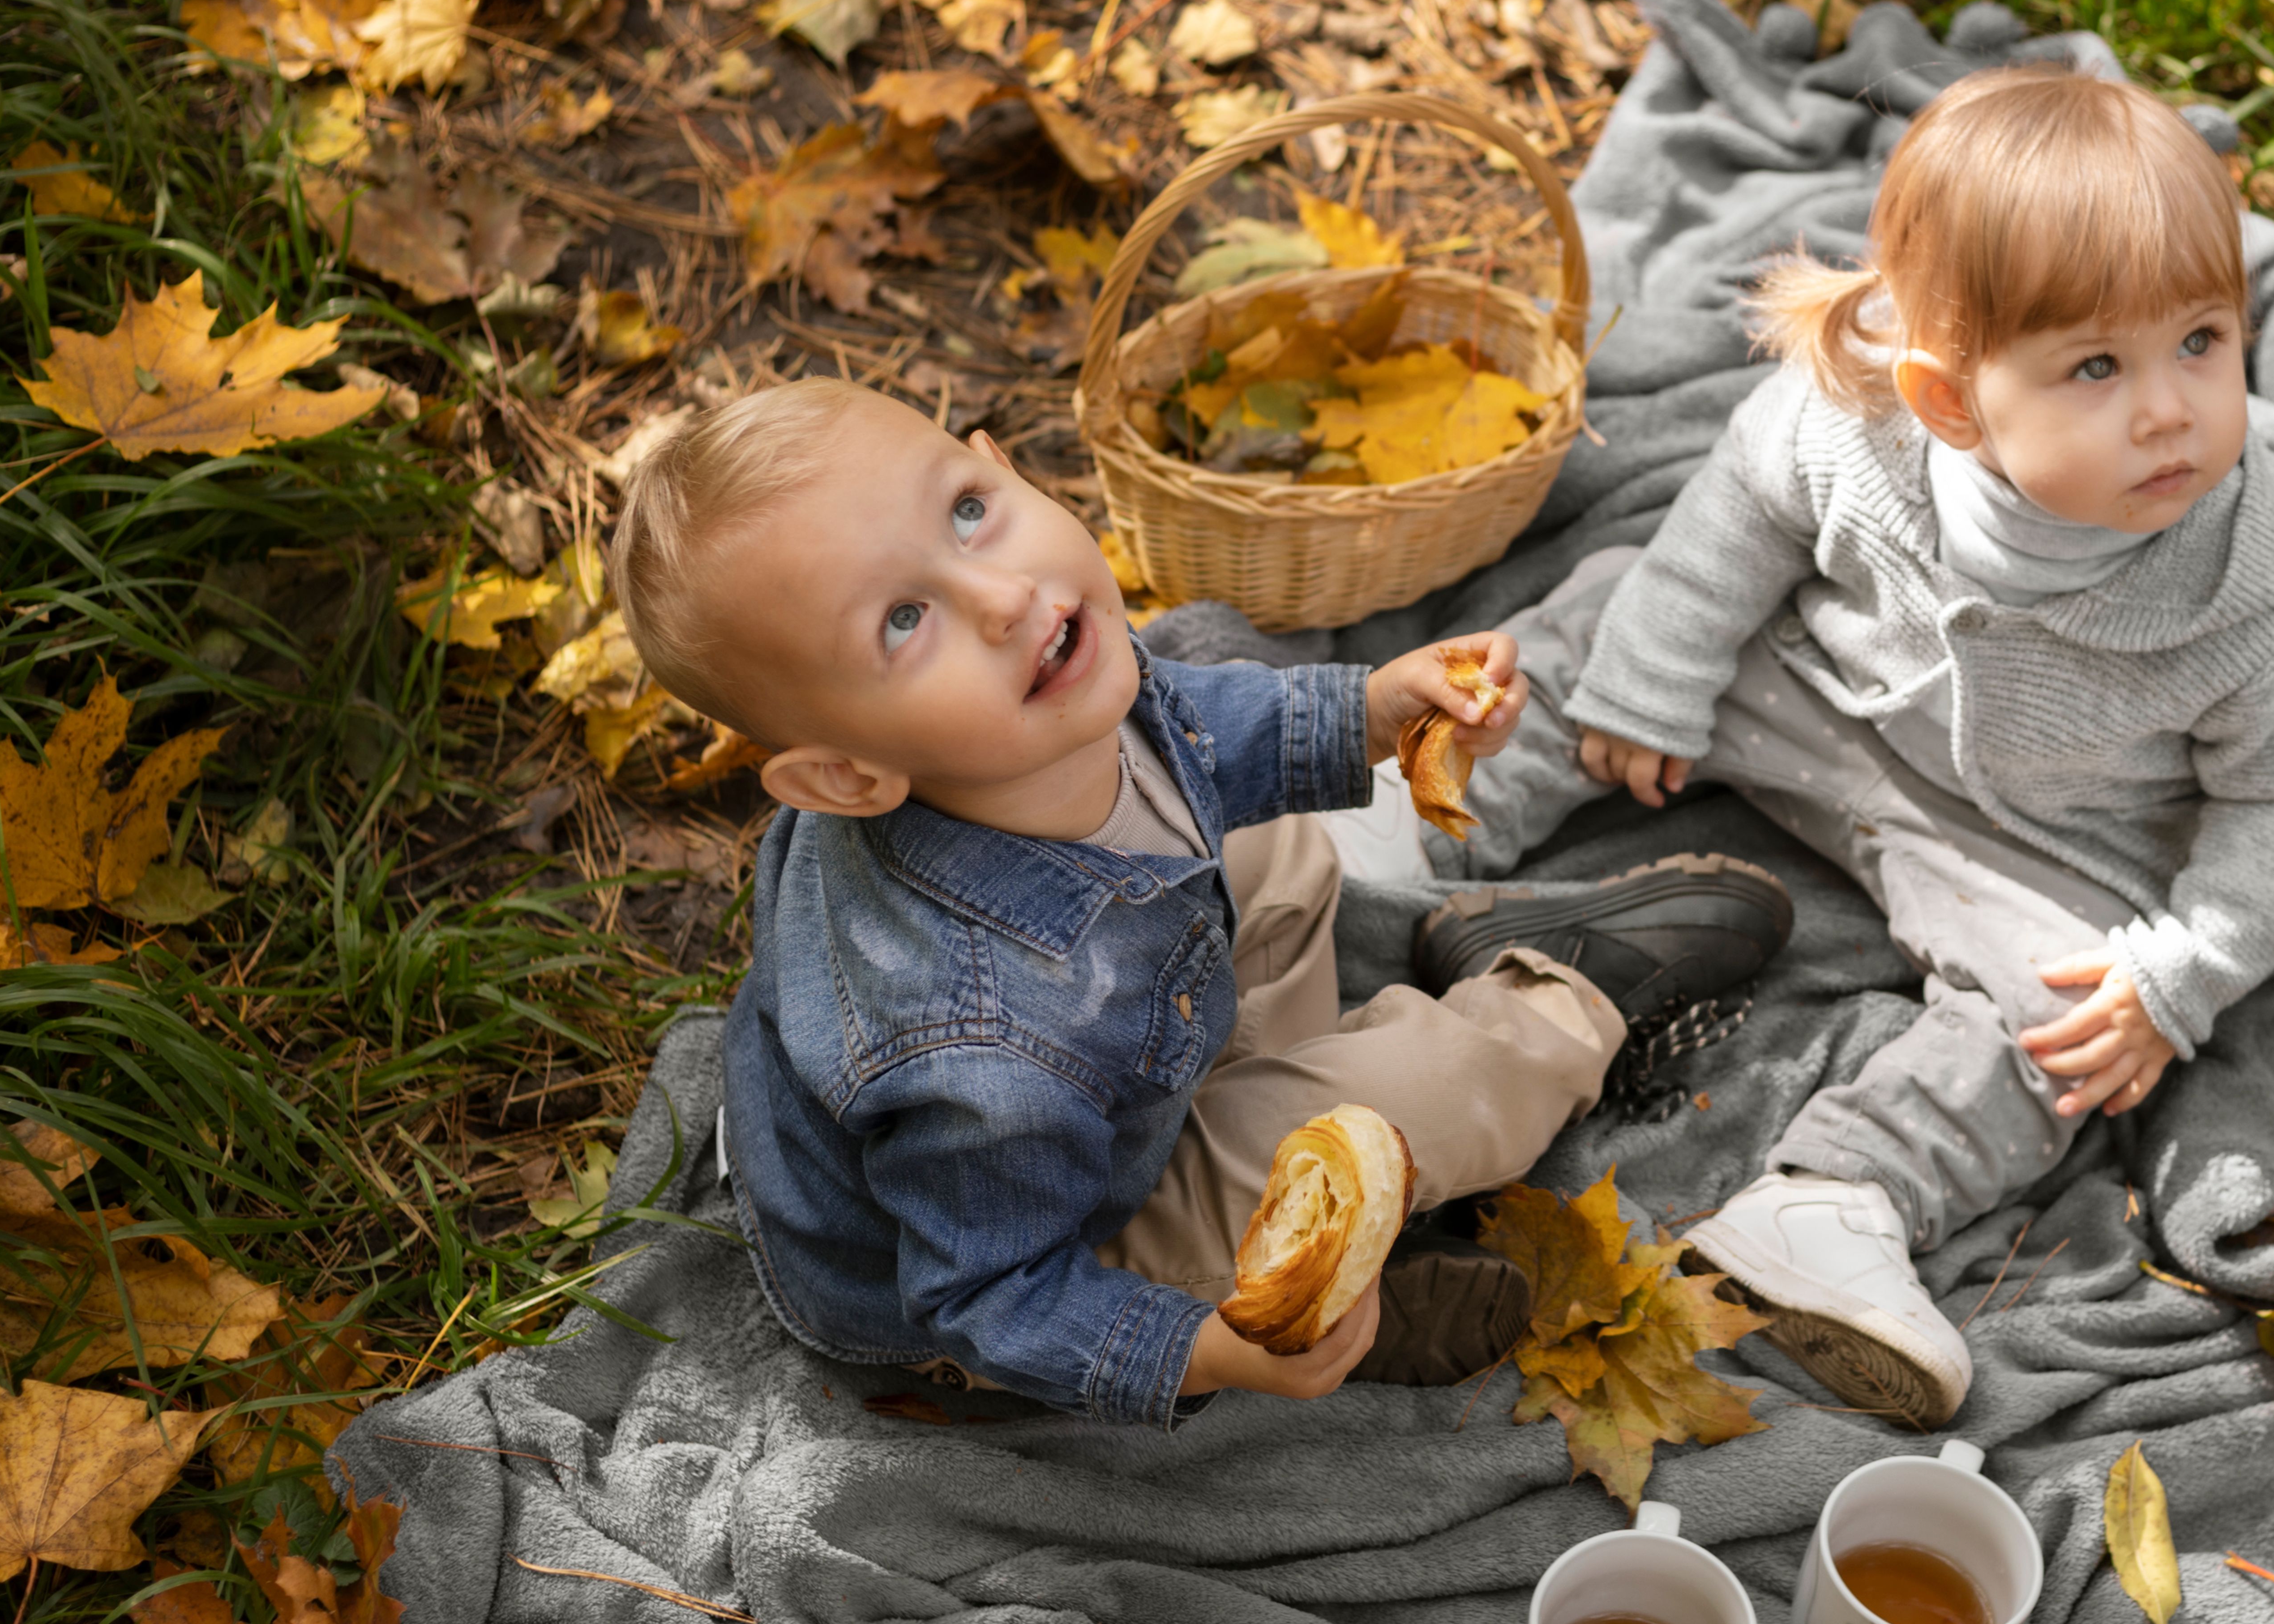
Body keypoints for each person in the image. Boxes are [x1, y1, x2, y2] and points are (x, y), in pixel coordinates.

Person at [1432, 62, 2274, 1428]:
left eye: (2202, 341)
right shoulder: (1852, 426)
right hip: (1823, 696)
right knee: (1619, 615)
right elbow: (1737, 520)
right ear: (1943, 397)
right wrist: (1657, 676)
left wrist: (2183, 969)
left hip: (2041, 838)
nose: (2168, 409)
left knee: (2072, 1028)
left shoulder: (2252, 584)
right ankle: (1432, 814)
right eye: (2097, 367)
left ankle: (1837, 1201)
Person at [610, 380, 1792, 1424]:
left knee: (1270, 832)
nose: (1006, 595)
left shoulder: (1034, 708)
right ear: (847, 778)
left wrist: (1376, 709)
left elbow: (1188, 729)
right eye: (904, 620)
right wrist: (1207, 1350)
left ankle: (1296, 1168)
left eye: (966, 509)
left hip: (1116, 1041)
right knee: (1443, 1095)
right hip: (1040, 1251)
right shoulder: (975, 1054)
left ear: (997, 458)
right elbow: (985, 1295)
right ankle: (1551, 1006)